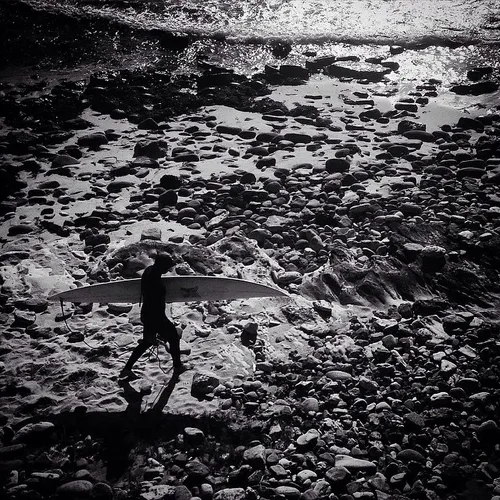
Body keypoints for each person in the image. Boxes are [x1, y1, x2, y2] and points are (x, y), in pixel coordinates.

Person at [120, 253, 187, 380]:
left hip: (147, 314)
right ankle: (178, 366)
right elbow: (156, 304)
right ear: (161, 266)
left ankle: (127, 369)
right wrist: (160, 326)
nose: (168, 269)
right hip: (155, 316)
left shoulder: (149, 270)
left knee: (146, 342)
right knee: (173, 337)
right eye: (167, 267)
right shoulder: (155, 281)